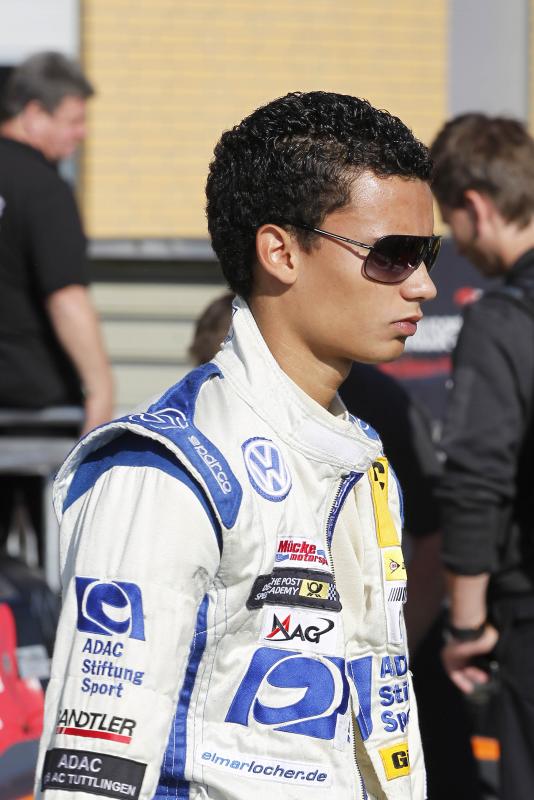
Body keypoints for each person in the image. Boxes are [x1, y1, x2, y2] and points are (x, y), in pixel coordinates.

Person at [35, 91, 439, 800]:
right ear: (280, 252)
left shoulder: (361, 458)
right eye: (394, 255)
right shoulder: (169, 467)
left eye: (426, 253)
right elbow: (91, 768)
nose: (425, 285)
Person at [430, 114, 534, 800]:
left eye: (452, 224)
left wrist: (465, 625)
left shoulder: (503, 320)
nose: (458, 245)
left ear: (476, 206)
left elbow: (475, 480)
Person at [0, 52, 114, 547]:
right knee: (57, 552)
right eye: (73, 120)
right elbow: (66, 297)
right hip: (32, 409)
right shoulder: (43, 188)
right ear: (33, 113)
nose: (81, 134)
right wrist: (100, 389)